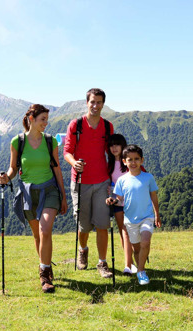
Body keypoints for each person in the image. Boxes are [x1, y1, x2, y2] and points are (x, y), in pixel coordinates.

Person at [0, 104, 68, 293]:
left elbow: (57, 168)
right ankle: (45, 265)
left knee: (45, 230)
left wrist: (63, 195)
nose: (46, 123)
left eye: (47, 119)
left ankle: (44, 275)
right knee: (37, 235)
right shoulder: (17, 142)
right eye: (42, 119)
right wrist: (6, 177)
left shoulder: (50, 141)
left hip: (50, 189)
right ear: (31, 120)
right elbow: (13, 168)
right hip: (28, 192)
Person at [63, 88, 114, 279]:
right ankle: (82, 250)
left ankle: (102, 263)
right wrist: (74, 163)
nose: (95, 105)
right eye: (92, 102)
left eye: (99, 102)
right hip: (80, 182)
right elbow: (67, 151)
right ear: (87, 102)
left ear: (103, 104)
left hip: (102, 181)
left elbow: (112, 153)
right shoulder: (75, 125)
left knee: (102, 224)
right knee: (83, 226)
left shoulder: (108, 127)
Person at [107, 144, 161, 285]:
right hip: (130, 220)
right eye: (129, 159)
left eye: (136, 159)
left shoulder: (148, 178)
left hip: (147, 217)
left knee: (145, 241)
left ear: (142, 160)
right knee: (136, 248)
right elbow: (119, 198)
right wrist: (113, 200)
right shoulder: (122, 180)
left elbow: (154, 196)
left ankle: (141, 271)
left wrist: (157, 215)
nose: (133, 162)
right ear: (124, 162)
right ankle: (140, 269)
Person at [107, 134, 137, 276]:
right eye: (112, 145)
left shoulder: (128, 162)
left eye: (117, 145)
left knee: (130, 230)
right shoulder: (109, 163)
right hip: (118, 201)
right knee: (123, 230)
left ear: (122, 146)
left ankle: (131, 262)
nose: (114, 148)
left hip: (131, 201)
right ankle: (129, 264)